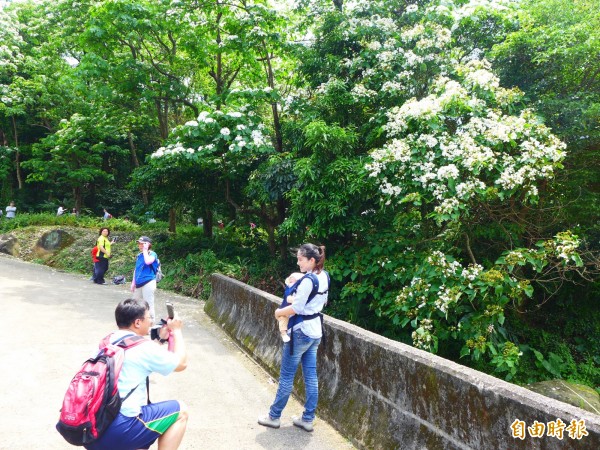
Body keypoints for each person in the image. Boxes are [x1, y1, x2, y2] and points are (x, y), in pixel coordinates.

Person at [84, 298, 188, 450]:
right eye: (149, 318)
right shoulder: (144, 348)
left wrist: (160, 338)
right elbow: (181, 364)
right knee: (181, 411)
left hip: (93, 427)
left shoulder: (107, 341)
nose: (151, 322)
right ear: (138, 323)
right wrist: (177, 331)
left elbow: (138, 355)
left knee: (142, 431)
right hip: (121, 428)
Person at [258, 243, 329, 432]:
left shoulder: (308, 280)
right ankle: (307, 419)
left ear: (312, 260)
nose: (298, 264)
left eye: (300, 260)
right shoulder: (324, 276)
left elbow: (296, 308)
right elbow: (322, 301)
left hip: (300, 331)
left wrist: (278, 311)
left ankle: (274, 416)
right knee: (311, 376)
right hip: (315, 332)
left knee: (287, 377)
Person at [131, 236, 159, 321]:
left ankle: (150, 324)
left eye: (142, 243)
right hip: (139, 283)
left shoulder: (152, 254)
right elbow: (136, 269)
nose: (139, 245)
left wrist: (145, 250)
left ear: (148, 244)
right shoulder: (139, 255)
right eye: (139, 243)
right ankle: (133, 322)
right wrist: (133, 282)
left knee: (148, 304)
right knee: (134, 303)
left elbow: (148, 261)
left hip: (148, 282)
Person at [277, 272, 305, 342]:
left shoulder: (300, 289)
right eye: (290, 281)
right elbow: (288, 299)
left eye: (292, 281)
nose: (290, 283)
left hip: (293, 311)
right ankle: (283, 334)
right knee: (283, 319)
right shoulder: (289, 288)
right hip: (286, 309)